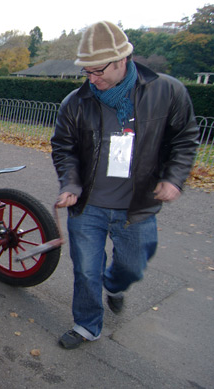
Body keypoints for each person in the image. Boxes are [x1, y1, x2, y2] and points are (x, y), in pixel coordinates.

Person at [50, 21, 199, 349]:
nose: (92, 78)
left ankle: (115, 286)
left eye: (98, 70)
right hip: (88, 204)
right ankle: (87, 325)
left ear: (122, 60)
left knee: (132, 266)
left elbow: (185, 139)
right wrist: (71, 183)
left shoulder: (167, 91)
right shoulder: (75, 102)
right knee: (86, 272)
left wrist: (173, 178)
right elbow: (63, 148)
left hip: (138, 204)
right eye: (86, 71)